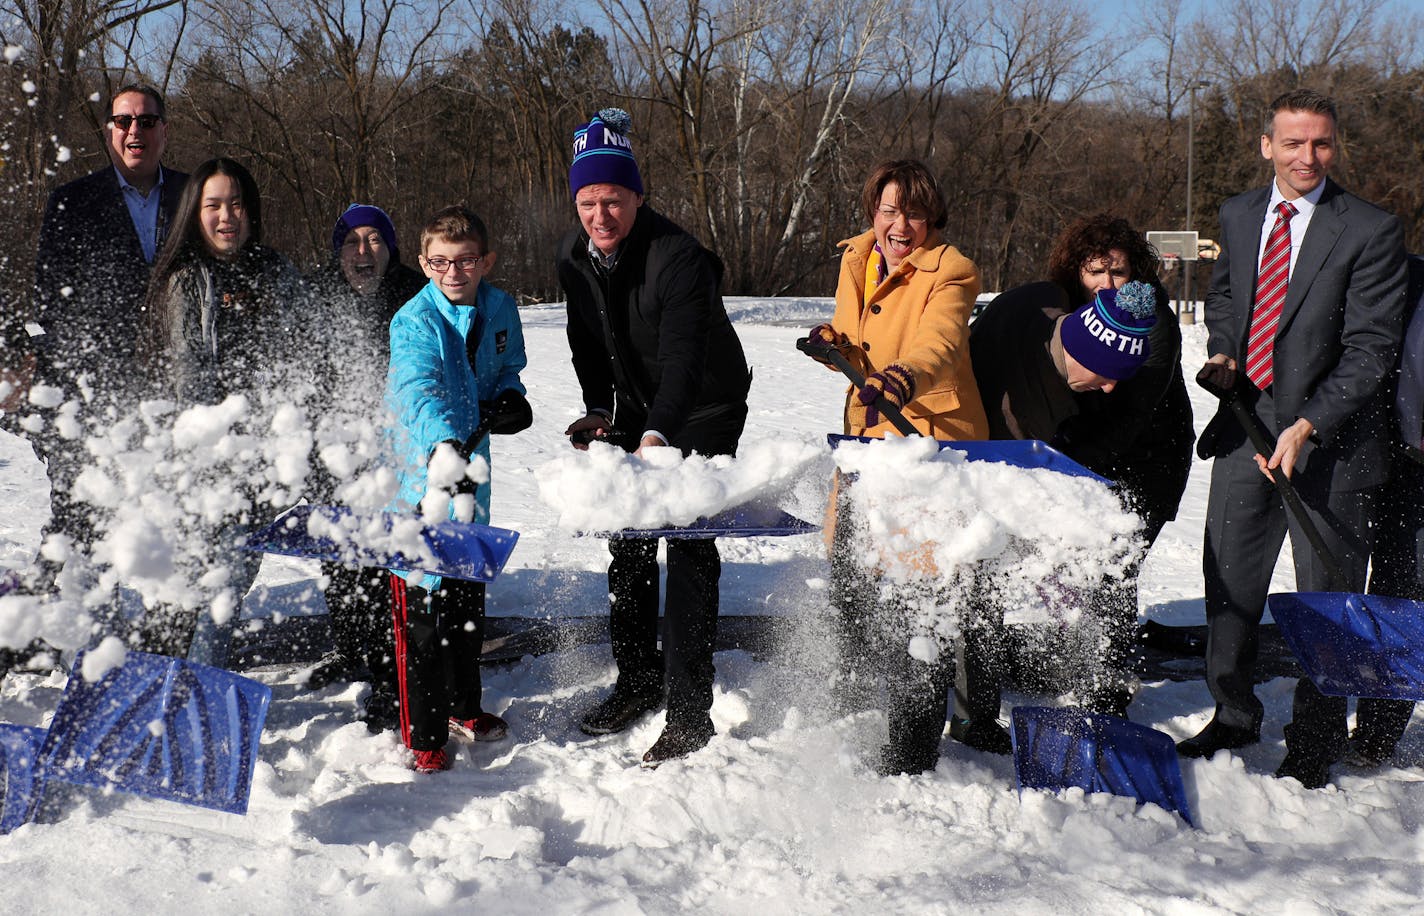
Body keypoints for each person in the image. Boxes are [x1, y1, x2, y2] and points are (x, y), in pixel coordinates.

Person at [1182, 89, 1408, 789]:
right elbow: (1226, 299)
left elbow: (1372, 349)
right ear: (1266, 145)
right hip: (1246, 429)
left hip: (1331, 446)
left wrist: (1309, 424)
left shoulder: (1370, 229)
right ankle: (1231, 712)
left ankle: (1312, 742)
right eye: (1293, 143)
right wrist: (1224, 349)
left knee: (1326, 600)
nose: (1307, 157)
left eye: (1321, 144)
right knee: (1229, 579)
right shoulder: (1240, 214)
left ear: (1334, 145)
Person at [951, 216, 1194, 752]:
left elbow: (1126, 415)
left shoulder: (1144, 321)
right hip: (1077, 450)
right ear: (1074, 271)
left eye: (1120, 271)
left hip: (1144, 461)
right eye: (1095, 271)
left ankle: (1105, 695)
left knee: (1111, 568)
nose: (1107, 283)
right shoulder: (1060, 310)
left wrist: (1065, 472)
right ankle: (999, 693)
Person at [556, 108, 751, 767]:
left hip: (705, 402)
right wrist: (598, 409)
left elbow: (685, 362)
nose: (600, 214)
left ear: (637, 196)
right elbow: (586, 342)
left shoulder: (679, 257)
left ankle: (690, 710)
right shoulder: (573, 258)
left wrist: (657, 437)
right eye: (588, 201)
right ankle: (637, 679)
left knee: (688, 544)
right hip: (640, 401)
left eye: (613, 199)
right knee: (629, 541)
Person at [804, 158, 989, 775]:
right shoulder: (856, 257)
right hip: (866, 440)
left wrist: (905, 376)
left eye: (913, 212)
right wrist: (834, 346)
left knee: (922, 600)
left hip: (925, 441)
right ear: (872, 213)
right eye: (888, 209)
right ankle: (860, 705)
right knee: (856, 579)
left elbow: (937, 343)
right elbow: (859, 340)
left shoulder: (953, 270)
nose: (899, 224)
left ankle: (911, 747)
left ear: (931, 218)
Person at [140, 157, 304, 666]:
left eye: (235, 203)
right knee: (214, 584)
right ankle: (191, 690)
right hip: (206, 461)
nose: (226, 215)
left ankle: (186, 682)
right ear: (196, 212)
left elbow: (304, 353)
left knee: (225, 582)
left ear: (251, 211)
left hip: (268, 461)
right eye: (213, 204)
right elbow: (191, 380)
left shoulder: (277, 272)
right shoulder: (188, 280)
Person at [26, 85, 187, 596]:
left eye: (145, 121)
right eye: (123, 121)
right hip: (95, 395)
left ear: (164, 129)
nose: (133, 131)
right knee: (84, 529)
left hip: (173, 394)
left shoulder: (195, 196)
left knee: (166, 527)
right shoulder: (73, 202)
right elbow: (51, 303)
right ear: (109, 130)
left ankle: (161, 645)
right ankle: (64, 639)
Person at [386, 205, 530, 773]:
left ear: (485, 261)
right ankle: (422, 731)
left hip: (474, 481)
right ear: (424, 264)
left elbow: (508, 366)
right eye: (440, 262)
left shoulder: (500, 308)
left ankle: (464, 706)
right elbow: (416, 389)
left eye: (465, 260)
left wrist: (511, 397)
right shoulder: (412, 321)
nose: (453, 271)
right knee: (423, 609)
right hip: (417, 479)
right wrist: (444, 443)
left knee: (466, 602)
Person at [302, 204, 425, 732]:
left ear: (391, 248)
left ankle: (386, 670)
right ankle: (350, 646)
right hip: (331, 447)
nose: (363, 251)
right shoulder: (317, 295)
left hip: (394, 449)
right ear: (338, 251)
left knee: (383, 560)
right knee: (338, 556)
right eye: (352, 241)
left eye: (375, 239)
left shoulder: (414, 293)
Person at [1339, 255, 1424, 766]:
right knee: (1351, 574)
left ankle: (1377, 732)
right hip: (1366, 443)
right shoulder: (1400, 270)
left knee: (1406, 587)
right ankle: (1326, 713)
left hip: (1418, 467)